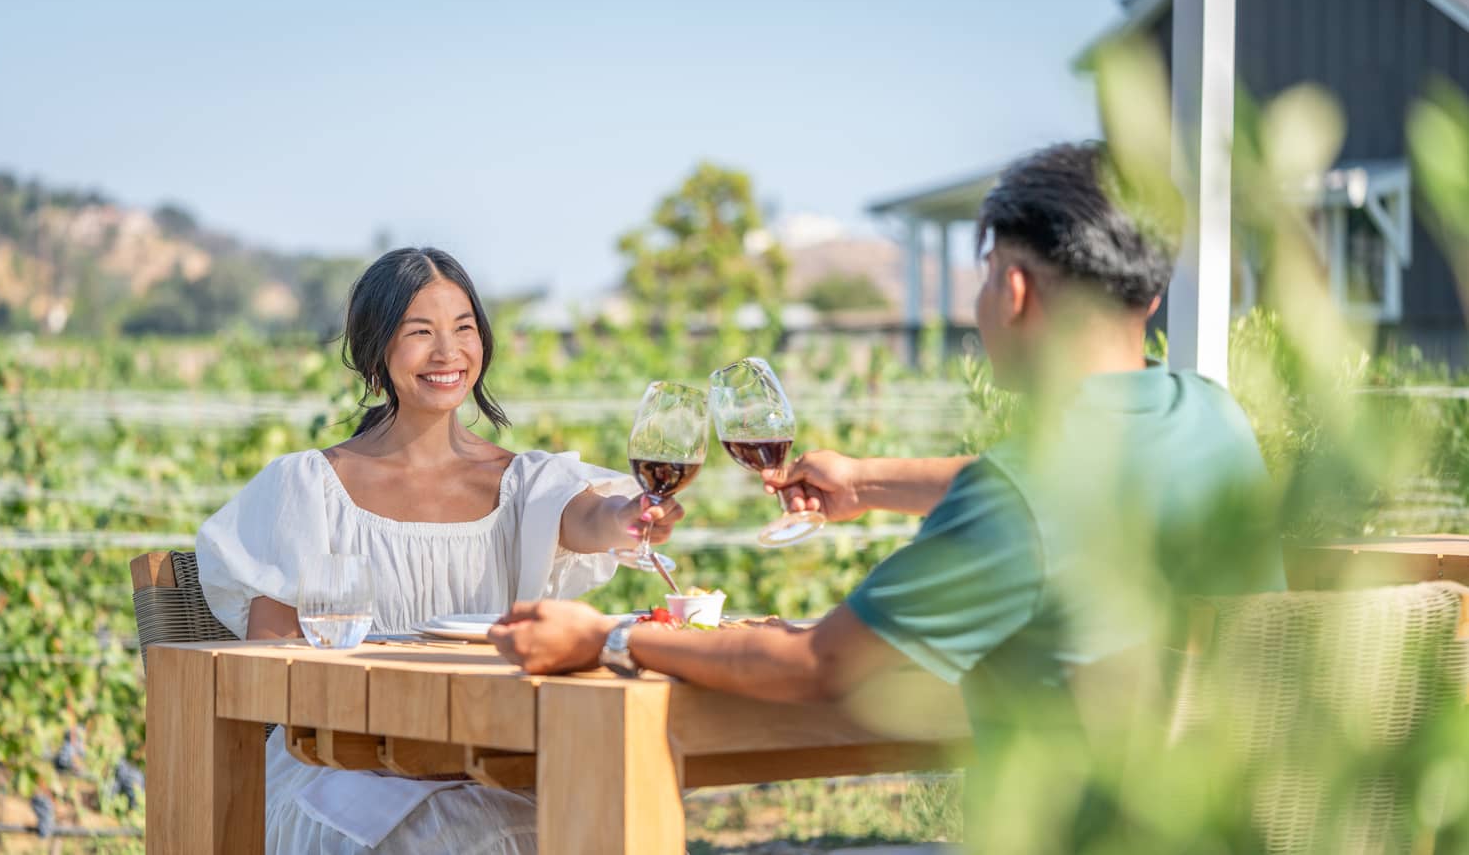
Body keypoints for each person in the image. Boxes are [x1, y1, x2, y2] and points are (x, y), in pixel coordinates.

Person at [488, 142, 1285, 851]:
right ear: (1145, 295)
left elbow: (816, 664)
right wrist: (865, 481)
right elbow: (1050, 487)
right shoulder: (1210, 415)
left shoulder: (1025, 494)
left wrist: (611, 638)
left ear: (1012, 289)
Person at [194, 247, 682, 854]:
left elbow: (590, 517)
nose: (448, 353)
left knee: (618, 822)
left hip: (493, 760)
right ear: (377, 350)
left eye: (464, 329)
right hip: (339, 769)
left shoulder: (526, 481)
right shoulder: (306, 487)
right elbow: (270, 665)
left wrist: (632, 516)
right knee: (471, 839)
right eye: (420, 333)